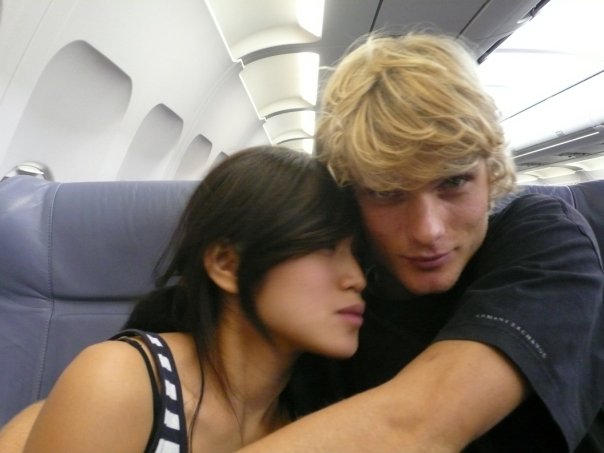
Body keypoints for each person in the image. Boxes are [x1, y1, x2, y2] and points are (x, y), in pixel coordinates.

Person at [231, 33, 604, 452]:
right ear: (350, 197)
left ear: (491, 174)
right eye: (386, 192)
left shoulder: (547, 242)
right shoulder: (324, 284)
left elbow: (415, 424)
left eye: (454, 182)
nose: (428, 231)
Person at [4, 145, 366, 453]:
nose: (357, 279)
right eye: (325, 248)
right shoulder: (120, 382)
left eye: (357, 255)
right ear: (227, 264)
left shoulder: (316, 421)